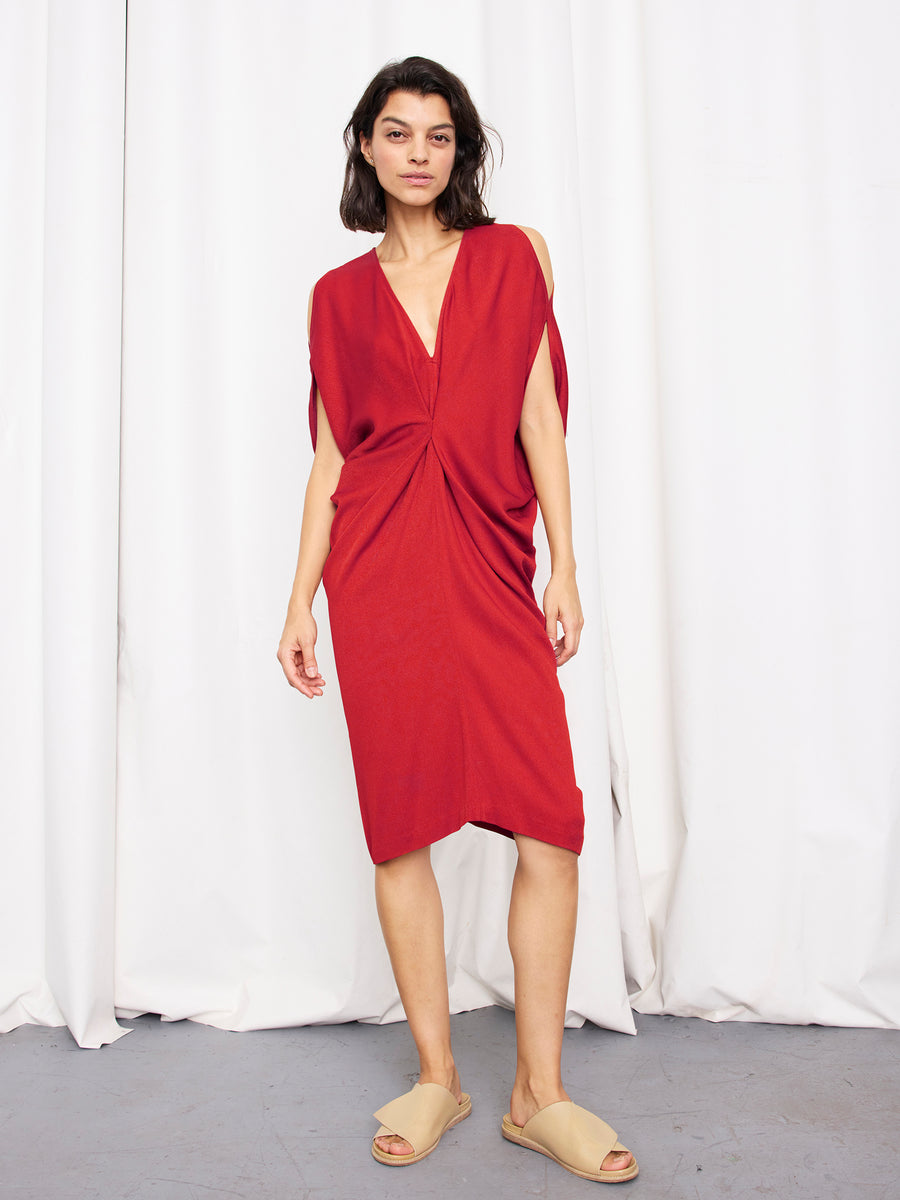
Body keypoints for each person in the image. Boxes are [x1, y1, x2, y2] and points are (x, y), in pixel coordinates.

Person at [277, 55, 638, 1185]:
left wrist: (566, 562)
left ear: (460, 152)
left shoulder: (511, 254)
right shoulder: (337, 296)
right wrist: (298, 596)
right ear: (367, 149)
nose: (419, 153)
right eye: (398, 133)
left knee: (550, 824)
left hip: (489, 555)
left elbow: (538, 413)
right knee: (400, 825)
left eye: (439, 135)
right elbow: (335, 453)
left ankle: (541, 1094)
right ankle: (439, 1073)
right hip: (378, 568)